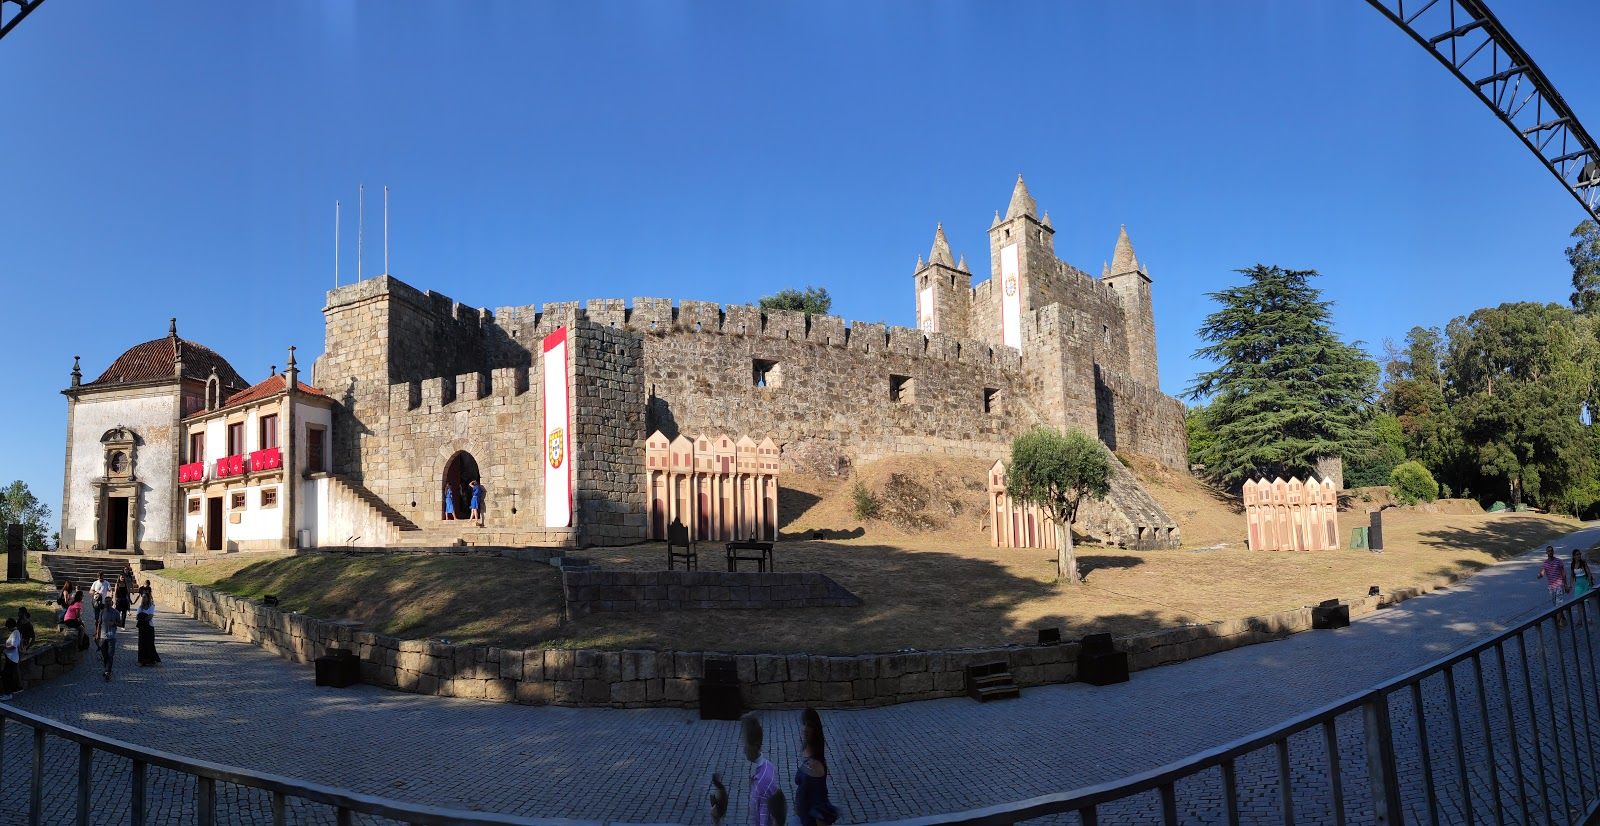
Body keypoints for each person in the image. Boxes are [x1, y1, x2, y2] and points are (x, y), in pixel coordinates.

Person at [733, 712, 785, 826]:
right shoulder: (769, 766)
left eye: (745, 743)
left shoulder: (762, 781)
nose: (743, 749)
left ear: (755, 744)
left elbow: (764, 820)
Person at [794, 708, 838, 826]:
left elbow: (820, 806)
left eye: (809, 726)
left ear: (816, 730)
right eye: (803, 724)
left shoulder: (816, 766)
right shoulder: (808, 756)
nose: (805, 729)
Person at [135, 585, 160, 666]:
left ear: (148, 598)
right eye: (143, 597)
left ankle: (151, 659)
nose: (144, 599)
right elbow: (137, 617)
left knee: (149, 643)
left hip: (149, 627)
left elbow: (150, 617)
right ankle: (142, 660)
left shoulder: (151, 606)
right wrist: (143, 617)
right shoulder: (140, 607)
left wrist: (142, 617)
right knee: (142, 643)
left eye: (145, 597)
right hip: (142, 628)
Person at [1, 618, 22, 701]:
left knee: (6, 676)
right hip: (10, 658)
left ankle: (8, 694)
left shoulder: (15, 633)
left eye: (7, 627)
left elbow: (13, 646)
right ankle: (9, 692)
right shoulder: (15, 633)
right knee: (7, 675)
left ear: (10, 626)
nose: (7, 629)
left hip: (12, 659)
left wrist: (4, 647)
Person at [99, 600, 120, 681]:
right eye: (106, 601)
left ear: (111, 603)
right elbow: (99, 623)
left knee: (110, 655)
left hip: (112, 637)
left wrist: (114, 623)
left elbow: (120, 623)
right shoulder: (102, 612)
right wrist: (97, 634)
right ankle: (106, 669)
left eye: (109, 602)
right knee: (105, 655)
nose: (107, 603)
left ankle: (108, 671)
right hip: (103, 637)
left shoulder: (116, 612)